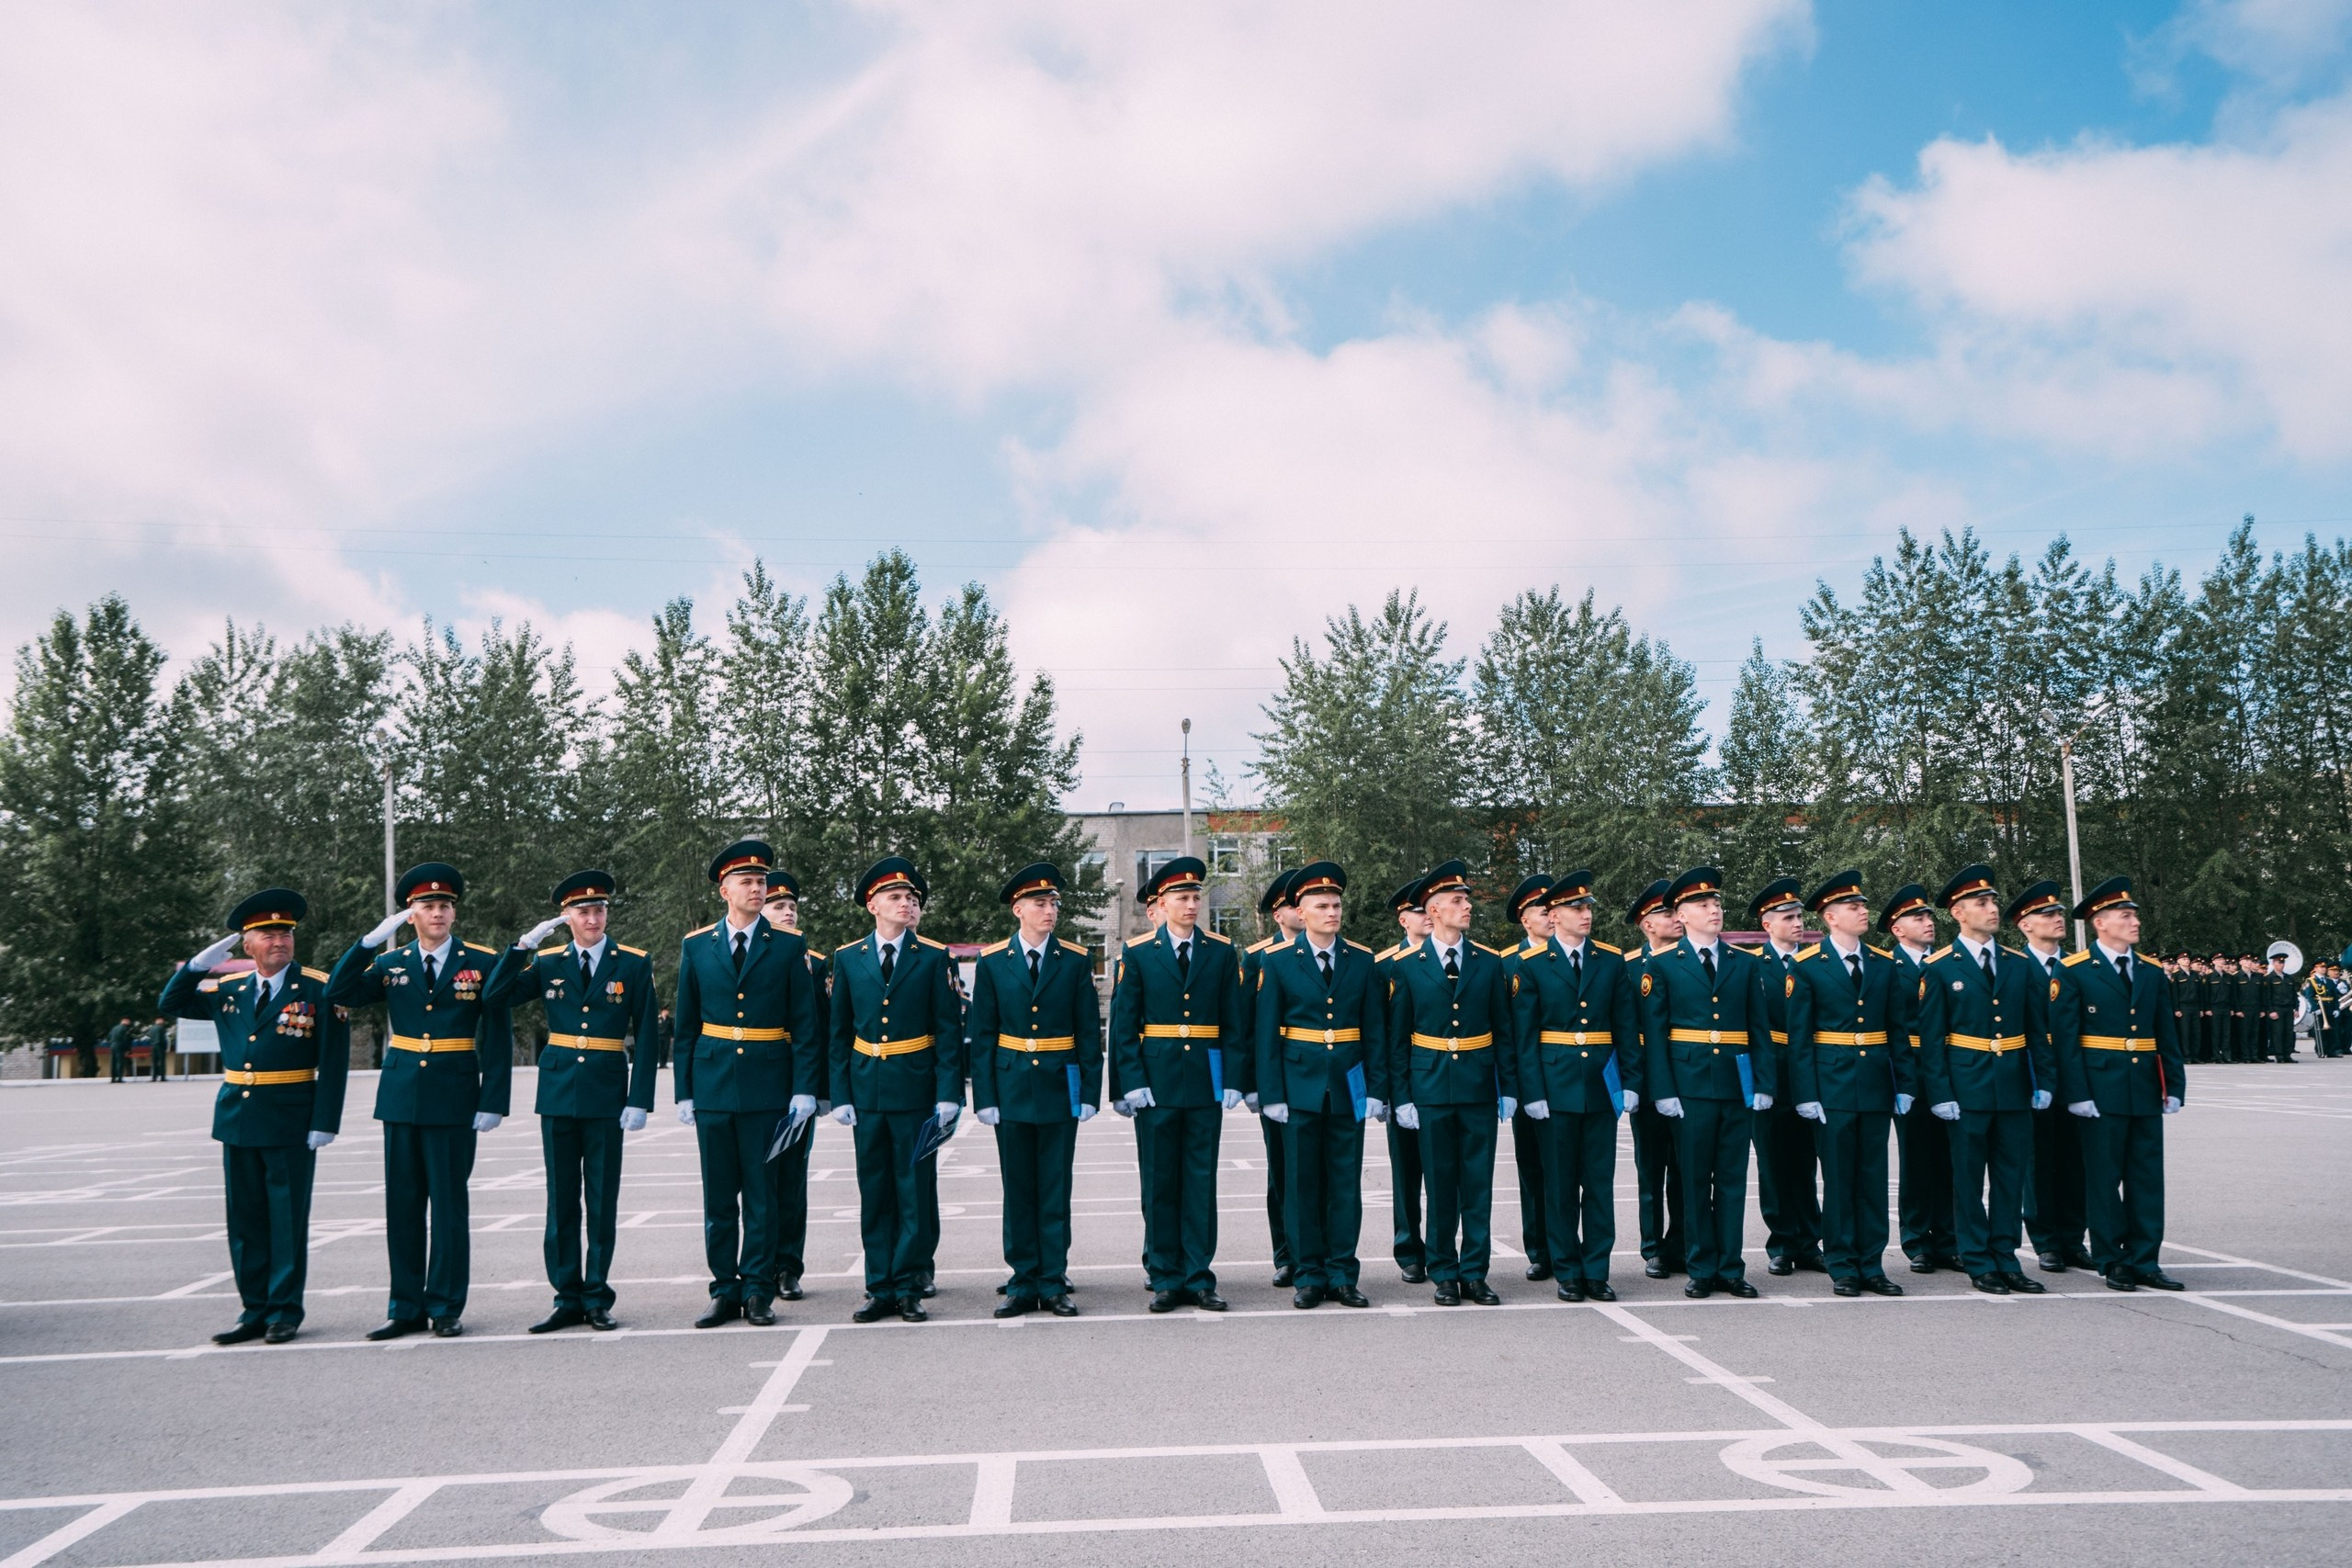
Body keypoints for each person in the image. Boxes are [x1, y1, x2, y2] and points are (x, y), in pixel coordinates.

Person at [327, 863, 513, 1340]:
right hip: (402, 1096)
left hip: (454, 1095)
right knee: (403, 1206)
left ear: (454, 913)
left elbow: (497, 1034)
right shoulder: (391, 965)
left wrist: (494, 1097)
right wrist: (367, 944)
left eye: (444, 906)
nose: (437, 913)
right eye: (427, 906)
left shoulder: (483, 962)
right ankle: (405, 1306)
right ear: (411, 915)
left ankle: (446, 1305)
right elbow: (338, 991)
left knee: (449, 1206)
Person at [158, 889, 351, 1344]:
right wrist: (200, 963)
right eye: (267, 934)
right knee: (245, 1220)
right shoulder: (228, 989)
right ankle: (253, 1311)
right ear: (247, 944)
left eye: (285, 933)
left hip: (291, 1118)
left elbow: (335, 1061)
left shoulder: (321, 989)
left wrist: (326, 1120)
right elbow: (172, 1003)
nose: (279, 940)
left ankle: (284, 1311)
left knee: (286, 1219)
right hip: (239, 1118)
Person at [483, 870, 659, 1334]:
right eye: (583, 911)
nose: (593, 917)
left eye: (599, 909)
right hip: (559, 1092)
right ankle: (566, 1296)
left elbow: (647, 1033)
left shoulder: (633, 962)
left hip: (606, 1092)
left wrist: (640, 1097)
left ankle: (597, 1296)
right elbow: (494, 996)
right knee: (561, 1201)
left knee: (602, 1201)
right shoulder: (547, 961)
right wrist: (522, 946)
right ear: (566, 917)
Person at [673, 840, 820, 1328]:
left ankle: (758, 1290)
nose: (757, 889)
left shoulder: (789, 945)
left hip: (768, 1086)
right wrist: (685, 1091)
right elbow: (687, 1026)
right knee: (718, 1198)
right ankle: (723, 1289)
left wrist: (803, 1089)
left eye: (761, 882)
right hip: (714, 1085)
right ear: (725, 890)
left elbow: (805, 1023)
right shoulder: (697, 945)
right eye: (747, 882)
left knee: (762, 1196)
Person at [829, 856, 965, 1324]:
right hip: (867, 1092)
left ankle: (908, 1286)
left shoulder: (932, 956)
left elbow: (948, 1029)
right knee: (875, 1191)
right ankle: (878, 1286)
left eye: (911, 898)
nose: (906, 904)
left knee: (913, 1190)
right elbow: (839, 1032)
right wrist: (841, 1094)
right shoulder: (848, 958)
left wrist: (949, 1093)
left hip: (916, 1090)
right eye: (896, 897)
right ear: (873, 905)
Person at [1254, 862, 1390, 1309]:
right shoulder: (1276, 961)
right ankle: (1309, 1275)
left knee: (1344, 1185)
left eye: (1336, 905)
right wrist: (1270, 1094)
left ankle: (1343, 1274)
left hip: (1347, 1086)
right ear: (1301, 912)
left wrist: (1375, 1089)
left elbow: (1374, 1031)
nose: (1332, 912)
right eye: (1322, 906)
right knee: (1300, 1184)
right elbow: (1266, 1033)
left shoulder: (1362, 959)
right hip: (1298, 1087)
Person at [969, 863, 1102, 1316]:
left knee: (1054, 1187)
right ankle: (1023, 1280)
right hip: (1010, 1086)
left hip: (1058, 1084)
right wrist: (984, 1097)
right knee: (1018, 1188)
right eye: (1040, 904)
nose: (1050, 911)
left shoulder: (1075, 959)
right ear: (1018, 910)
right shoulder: (991, 961)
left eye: (1053, 904)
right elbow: (983, 1034)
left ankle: (1052, 1278)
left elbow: (1088, 1033)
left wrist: (1088, 1091)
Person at [1111, 855, 1242, 1313]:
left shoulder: (1221, 951)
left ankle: (1199, 1276)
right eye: (1182, 898)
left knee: (1200, 1182)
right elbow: (1123, 1025)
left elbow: (1234, 1022)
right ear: (1160, 905)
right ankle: (1165, 1276)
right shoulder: (1139, 952)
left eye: (1195, 897)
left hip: (1205, 1080)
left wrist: (1233, 1079)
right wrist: (1129, 1081)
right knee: (1159, 1181)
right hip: (1157, 1082)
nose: (1191, 904)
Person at [1916, 864, 2053, 1297]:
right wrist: (1939, 1092)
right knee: (1969, 1179)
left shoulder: (2018, 964)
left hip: (2012, 1084)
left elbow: (2037, 1031)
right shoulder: (1939, 968)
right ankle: (1978, 1259)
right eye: (1982, 903)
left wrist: (2043, 1080)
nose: (1992, 909)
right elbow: (1932, 1038)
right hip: (1966, 1087)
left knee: (2011, 1177)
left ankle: (2007, 1257)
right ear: (1958, 912)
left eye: (1993, 901)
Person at [1385, 862, 1517, 1306]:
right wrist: (1401, 1096)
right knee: (1440, 1184)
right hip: (1430, 1087)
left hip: (1478, 1086)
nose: (1467, 907)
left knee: (1477, 1184)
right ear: (1434, 910)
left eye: (1466, 899)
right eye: (1458, 901)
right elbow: (1397, 1039)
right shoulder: (1406, 966)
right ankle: (1443, 1271)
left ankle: (1475, 1272)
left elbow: (1504, 1030)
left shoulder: (1488, 961)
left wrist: (1509, 1088)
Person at [1639, 866, 1774, 1300]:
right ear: (1681, 915)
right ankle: (1700, 1265)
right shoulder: (1662, 965)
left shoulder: (1744, 962)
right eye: (1702, 905)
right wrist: (1662, 1091)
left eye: (1716, 903)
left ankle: (1731, 1267)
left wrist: (1763, 1083)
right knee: (1694, 1179)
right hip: (1689, 1084)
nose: (1713, 910)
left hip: (1735, 1085)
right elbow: (1655, 1035)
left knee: (1733, 1179)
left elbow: (1759, 1029)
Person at [1510, 870, 1638, 1303]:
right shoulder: (1531, 965)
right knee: (1560, 1185)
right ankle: (1567, 1270)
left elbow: (1625, 1026)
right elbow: (1524, 1038)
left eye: (1588, 907)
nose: (1585, 914)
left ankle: (1597, 1270)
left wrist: (1631, 1083)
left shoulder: (1610, 959)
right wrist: (1533, 1092)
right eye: (1576, 908)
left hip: (1600, 1085)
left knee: (1599, 1183)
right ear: (1554, 915)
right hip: (1555, 1084)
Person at [2058, 876, 2187, 1292]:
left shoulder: (2150, 972)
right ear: (2100, 922)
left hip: (2145, 1087)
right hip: (2101, 1088)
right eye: (2125, 916)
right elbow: (2066, 1040)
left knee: (2147, 1177)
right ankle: (2113, 1258)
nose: (2134, 922)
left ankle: (2146, 1258)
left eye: (2134, 915)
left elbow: (2166, 1034)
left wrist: (2175, 1087)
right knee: (2104, 1178)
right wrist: (2076, 1093)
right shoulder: (2075, 971)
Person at [1782, 872, 1906, 1297]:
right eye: (1853, 907)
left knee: (1873, 1178)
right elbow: (1798, 1037)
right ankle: (1842, 1264)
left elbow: (1897, 1030)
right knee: (1838, 1180)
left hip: (1873, 1083)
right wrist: (1806, 1093)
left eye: (1862, 905)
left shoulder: (1884, 964)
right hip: (1831, 1084)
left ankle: (1872, 1264)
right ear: (1831, 918)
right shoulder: (1806, 966)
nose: (1862, 911)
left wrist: (1903, 1084)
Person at [2012, 881, 2095, 1276]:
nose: (2058, 919)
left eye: (2059, 913)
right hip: (2031, 1075)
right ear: (2025, 925)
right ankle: (2046, 1241)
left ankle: (2073, 1238)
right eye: (2047, 915)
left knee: (2077, 1160)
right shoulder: (2015, 967)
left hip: (2076, 1074)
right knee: (2038, 1162)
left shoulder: (2078, 967)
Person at [1747, 876, 1824, 1277]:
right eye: (1789, 917)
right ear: (1768, 925)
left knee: (1806, 1162)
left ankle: (1810, 1242)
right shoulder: (1753, 966)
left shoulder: (1814, 962)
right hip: (1772, 1070)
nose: (1798, 923)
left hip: (1808, 1071)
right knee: (1773, 1163)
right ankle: (1781, 1243)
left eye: (1799, 916)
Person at [760, 869, 831, 1301]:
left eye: (792, 907)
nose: (787, 913)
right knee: (754, 1180)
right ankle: (757, 1265)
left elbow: (821, 1030)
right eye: (778, 906)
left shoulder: (813, 961)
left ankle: (787, 1266)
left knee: (790, 1179)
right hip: (752, 1080)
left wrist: (820, 1090)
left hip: (795, 1082)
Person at [1883, 884, 1959, 1274]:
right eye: (1918, 918)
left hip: (1946, 1067)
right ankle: (1917, 1241)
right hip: (1909, 1067)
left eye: (1929, 916)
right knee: (1916, 1158)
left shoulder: (1946, 963)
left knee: (1950, 1157)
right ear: (1897, 929)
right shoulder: (1887, 967)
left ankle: (1949, 1238)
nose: (1928, 923)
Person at [1239, 870, 1304, 1287]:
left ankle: (1318, 1253)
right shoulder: (1259, 956)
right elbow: (1248, 1027)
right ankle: (1286, 1254)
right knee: (1281, 1170)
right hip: (1277, 1078)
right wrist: (1252, 1084)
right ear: (1280, 914)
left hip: (1317, 1075)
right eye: (1293, 905)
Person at [1625, 880, 1687, 1279]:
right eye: (1666, 913)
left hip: (1686, 1077)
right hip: (1647, 1080)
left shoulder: (1690, 960)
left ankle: (1682, 1242)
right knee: (1651, 1168)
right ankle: (1654, 1247)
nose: (1676, 919)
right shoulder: (1628, 966)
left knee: (1687, 1167)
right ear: (1647, 924)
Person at [1375, 881, 1431, 1285]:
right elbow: (1379, 1036)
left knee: (1450, 1174)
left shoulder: (1463, 958)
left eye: (1432, 908)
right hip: (1404, 1084)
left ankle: (1449, 1249)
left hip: (1448, 1079)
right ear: (1403, 919)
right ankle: (1410, 1250)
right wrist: (1388, 1093)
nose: (1427, 915)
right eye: (1419, 910)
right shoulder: (1385, 966)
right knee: (1407, 1173)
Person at [1500, 874, 1553, 1281]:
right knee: (1533, 1169)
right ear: (1525, 920)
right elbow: (1507, 1032)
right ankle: (1539, 1249)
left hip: (1571, 1079)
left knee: (1576, 1174)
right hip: (1526, 1081)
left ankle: (1572, 1246)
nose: (1551, 917)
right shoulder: (1505, 963)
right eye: (1542, 911)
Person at [106, 1016, 134, 1082]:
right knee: (120, 1062)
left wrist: (112, 1043)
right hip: (120, 1046)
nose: (129, 1023)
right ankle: (119, 1078)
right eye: (128, 1021)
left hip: (113, 1046)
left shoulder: (114, 1028)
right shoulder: (125, 1029)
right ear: (125, 1021)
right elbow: (126, 1039)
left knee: (113, 1062)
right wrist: (127, 1050)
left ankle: (113, 1078)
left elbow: (109, 1037)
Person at [145, 1016, 171, 1080]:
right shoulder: (161, 1028)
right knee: (162, 1062)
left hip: (153, 1046)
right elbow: (163, 1039)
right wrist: (165, 1047)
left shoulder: (152, 1028)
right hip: (160, 1046)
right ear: (159, 1020)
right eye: (162, 1020)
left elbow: (149, 1038)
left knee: (154, 1062)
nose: (163, 1022)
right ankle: (162, 1077)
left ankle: (154, 1077)